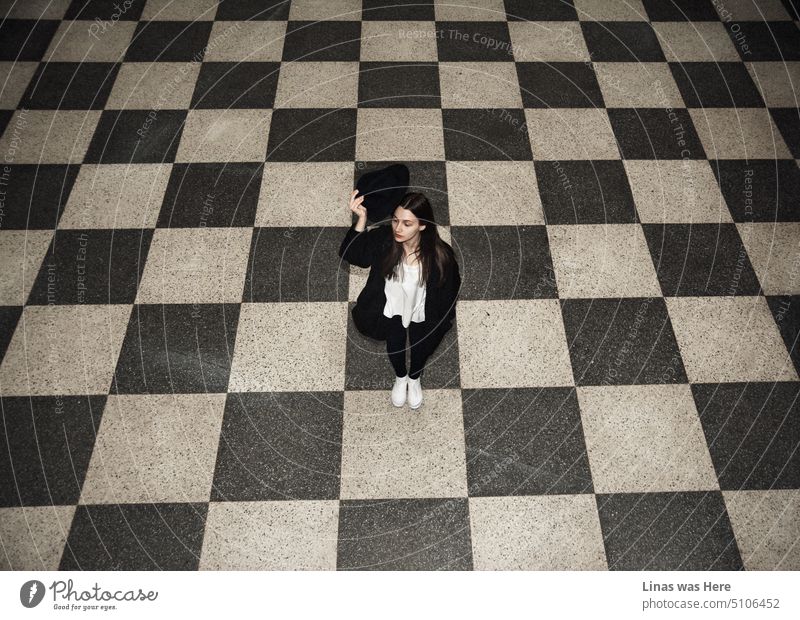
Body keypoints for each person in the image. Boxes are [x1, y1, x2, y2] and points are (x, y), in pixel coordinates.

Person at [339, 190, 461, 410]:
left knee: (421, 345)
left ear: (422, 225)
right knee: (394, 342)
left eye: (407, 223)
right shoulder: (384, 240)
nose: (398, 228)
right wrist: (362, 219)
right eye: (395, 220)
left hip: (422, 309)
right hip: (390, 307)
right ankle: (401, 377)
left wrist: (443, 318)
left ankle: (414, 378)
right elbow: (354, 255)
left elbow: (450, 291)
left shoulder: (441, 255)